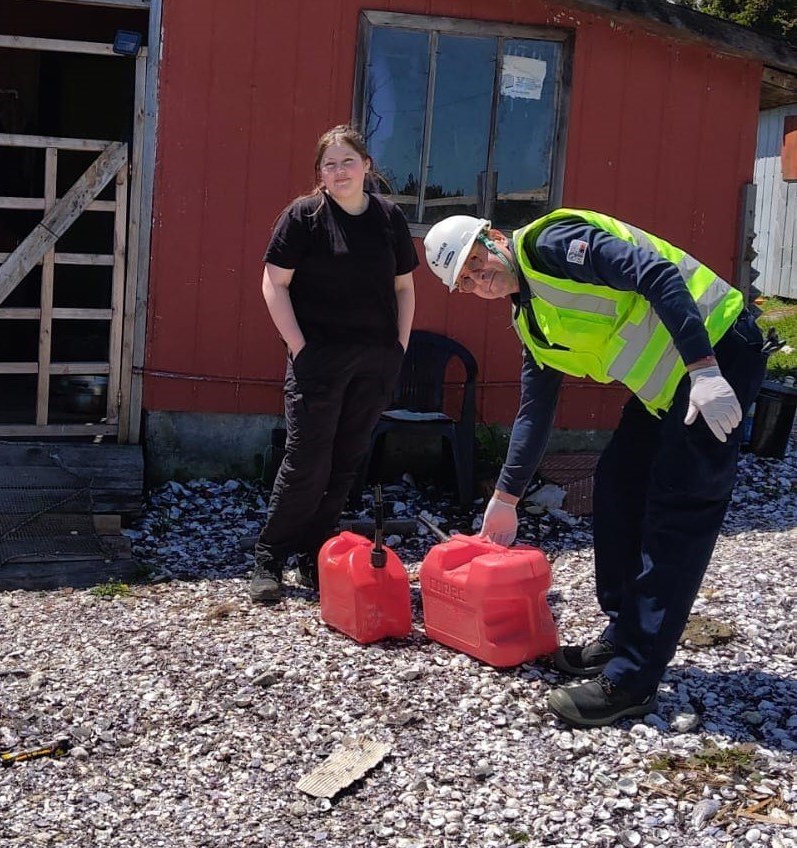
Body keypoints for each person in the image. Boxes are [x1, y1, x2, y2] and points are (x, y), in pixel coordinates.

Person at [423, 208, 767, 727]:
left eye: (475, 263)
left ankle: (633, 679)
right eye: (465, 282)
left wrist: (704, 369)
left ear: (493, 238)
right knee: (617, 487)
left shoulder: (551, 245)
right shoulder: (531, 322)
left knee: (679, 511)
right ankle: (622, 631)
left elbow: (655, 272)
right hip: (668, 388)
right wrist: (506, 500)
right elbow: (534, 411)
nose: (478, 281)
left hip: (717, 351)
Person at [250, 124, 417, 603]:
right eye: (330, 164)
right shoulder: (303, 217)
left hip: (375, 362)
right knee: (306, 461)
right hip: (318, 362)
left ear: (367, 166)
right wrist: (299, 347)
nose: (339, 171)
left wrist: (399, 347)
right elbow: (273, 283)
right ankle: (270, 558)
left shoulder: (388, 218)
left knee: (345, 464)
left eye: (348, 161)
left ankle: (314, 556)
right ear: (319, 175)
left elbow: (404, 288)